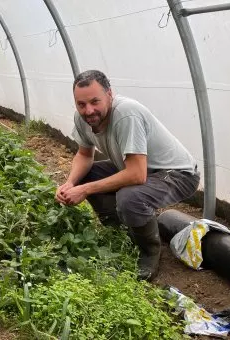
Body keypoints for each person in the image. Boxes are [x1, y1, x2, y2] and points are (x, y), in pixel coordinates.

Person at [55, 70, 200, 281]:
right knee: (86, 176)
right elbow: (84, 155)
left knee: (130, 197)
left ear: (110, 95)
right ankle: (122, 232)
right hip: (137, 167)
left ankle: (150, 251)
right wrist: (70, 183)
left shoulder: (126, 114)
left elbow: (137, 175)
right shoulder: (82, 119)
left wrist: (84, 190)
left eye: (95, 101)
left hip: (177, 173)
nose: (89, 110)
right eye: (81, 104)